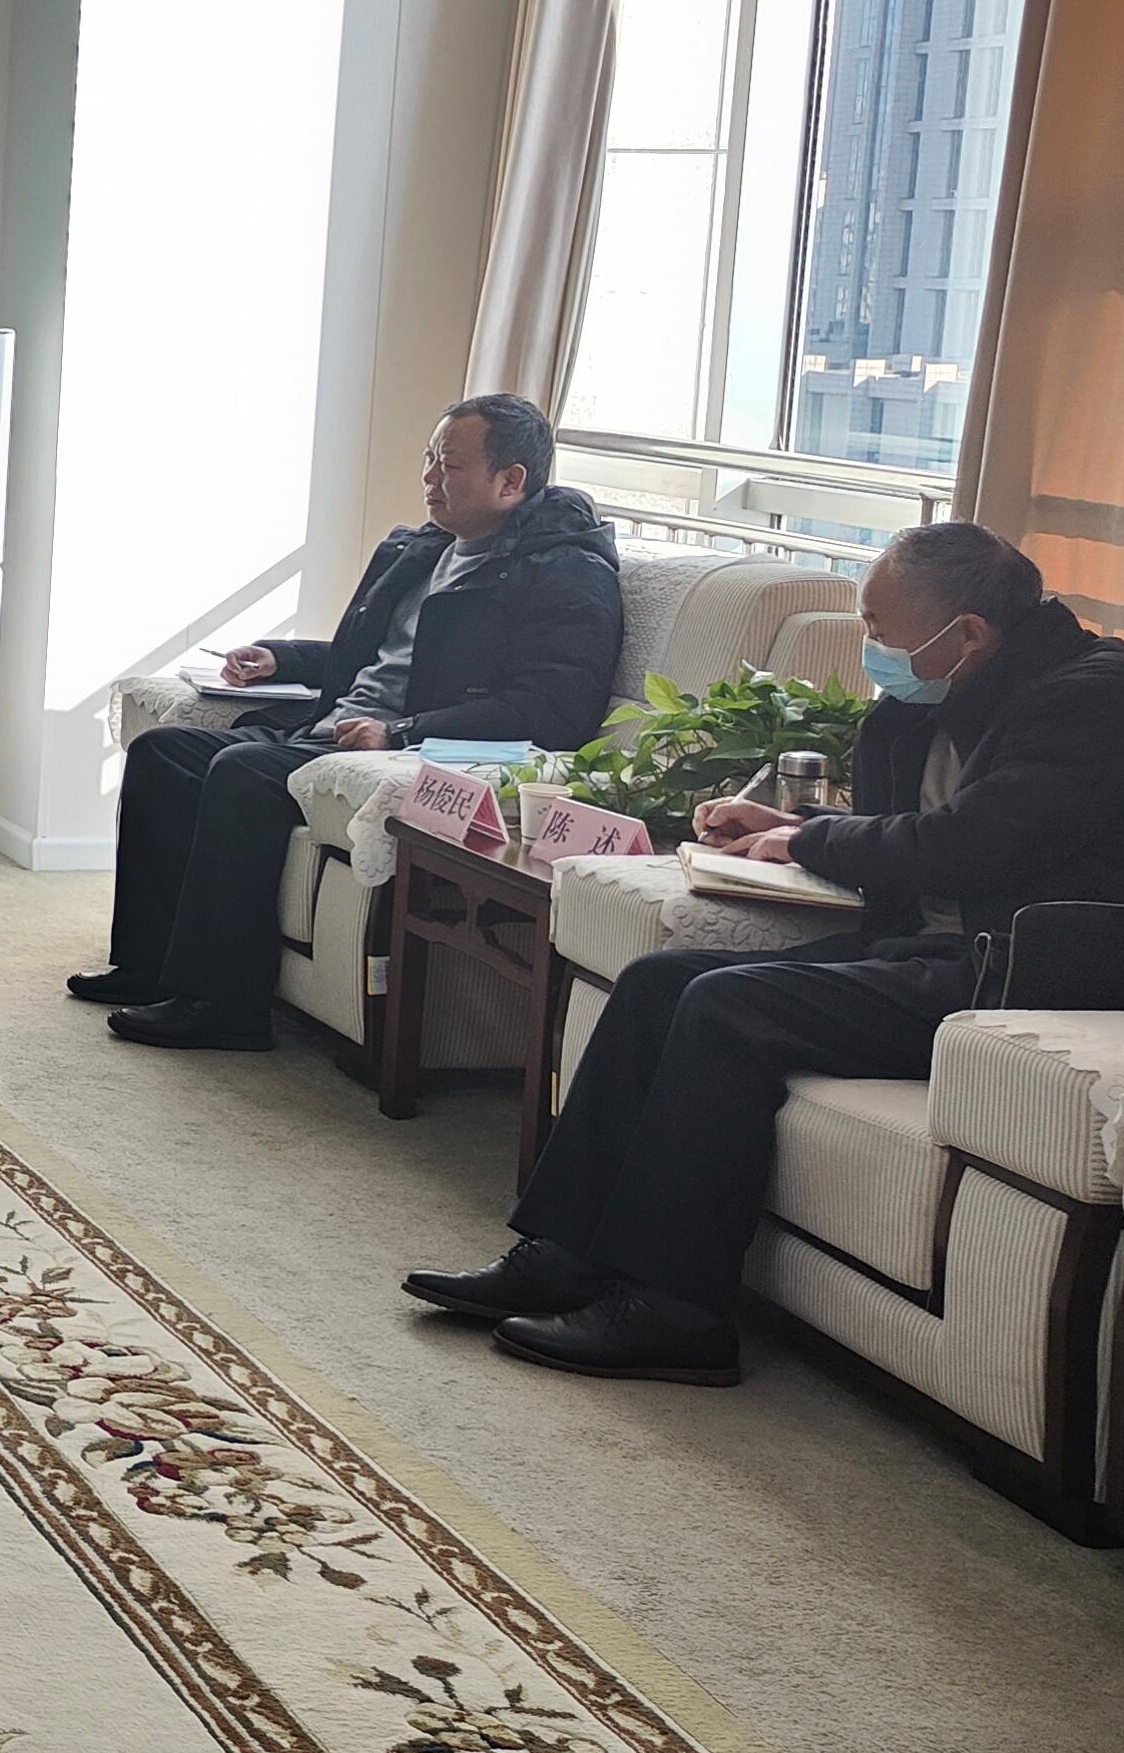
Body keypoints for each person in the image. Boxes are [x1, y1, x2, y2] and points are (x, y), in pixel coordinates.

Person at [407, 520, 1124, 1383]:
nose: (869, 647)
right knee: (658, 981)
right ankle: (561, 1255)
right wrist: (796, 825)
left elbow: (970, 844)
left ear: (967, 633)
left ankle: (677, 1313)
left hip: (1022, 974)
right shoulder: (947, 691)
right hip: (933, 950)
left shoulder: (1091, 698)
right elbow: (914, 830)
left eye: (880, 628)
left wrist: (809, 841)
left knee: (729, 1006)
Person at [75, 394, 623, 1050]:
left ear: (511, 481)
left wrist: (404, 731)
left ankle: (222, 1005)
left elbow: (553, 709)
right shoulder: (425, 548)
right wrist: (280, 658)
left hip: (394, 752)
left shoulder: (566, 574)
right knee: (163, 752)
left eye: (449, 465)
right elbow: (373, 655)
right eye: (429, 458)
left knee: (244, 770)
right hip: (330, 730)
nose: (429, 477)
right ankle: (146, 966)